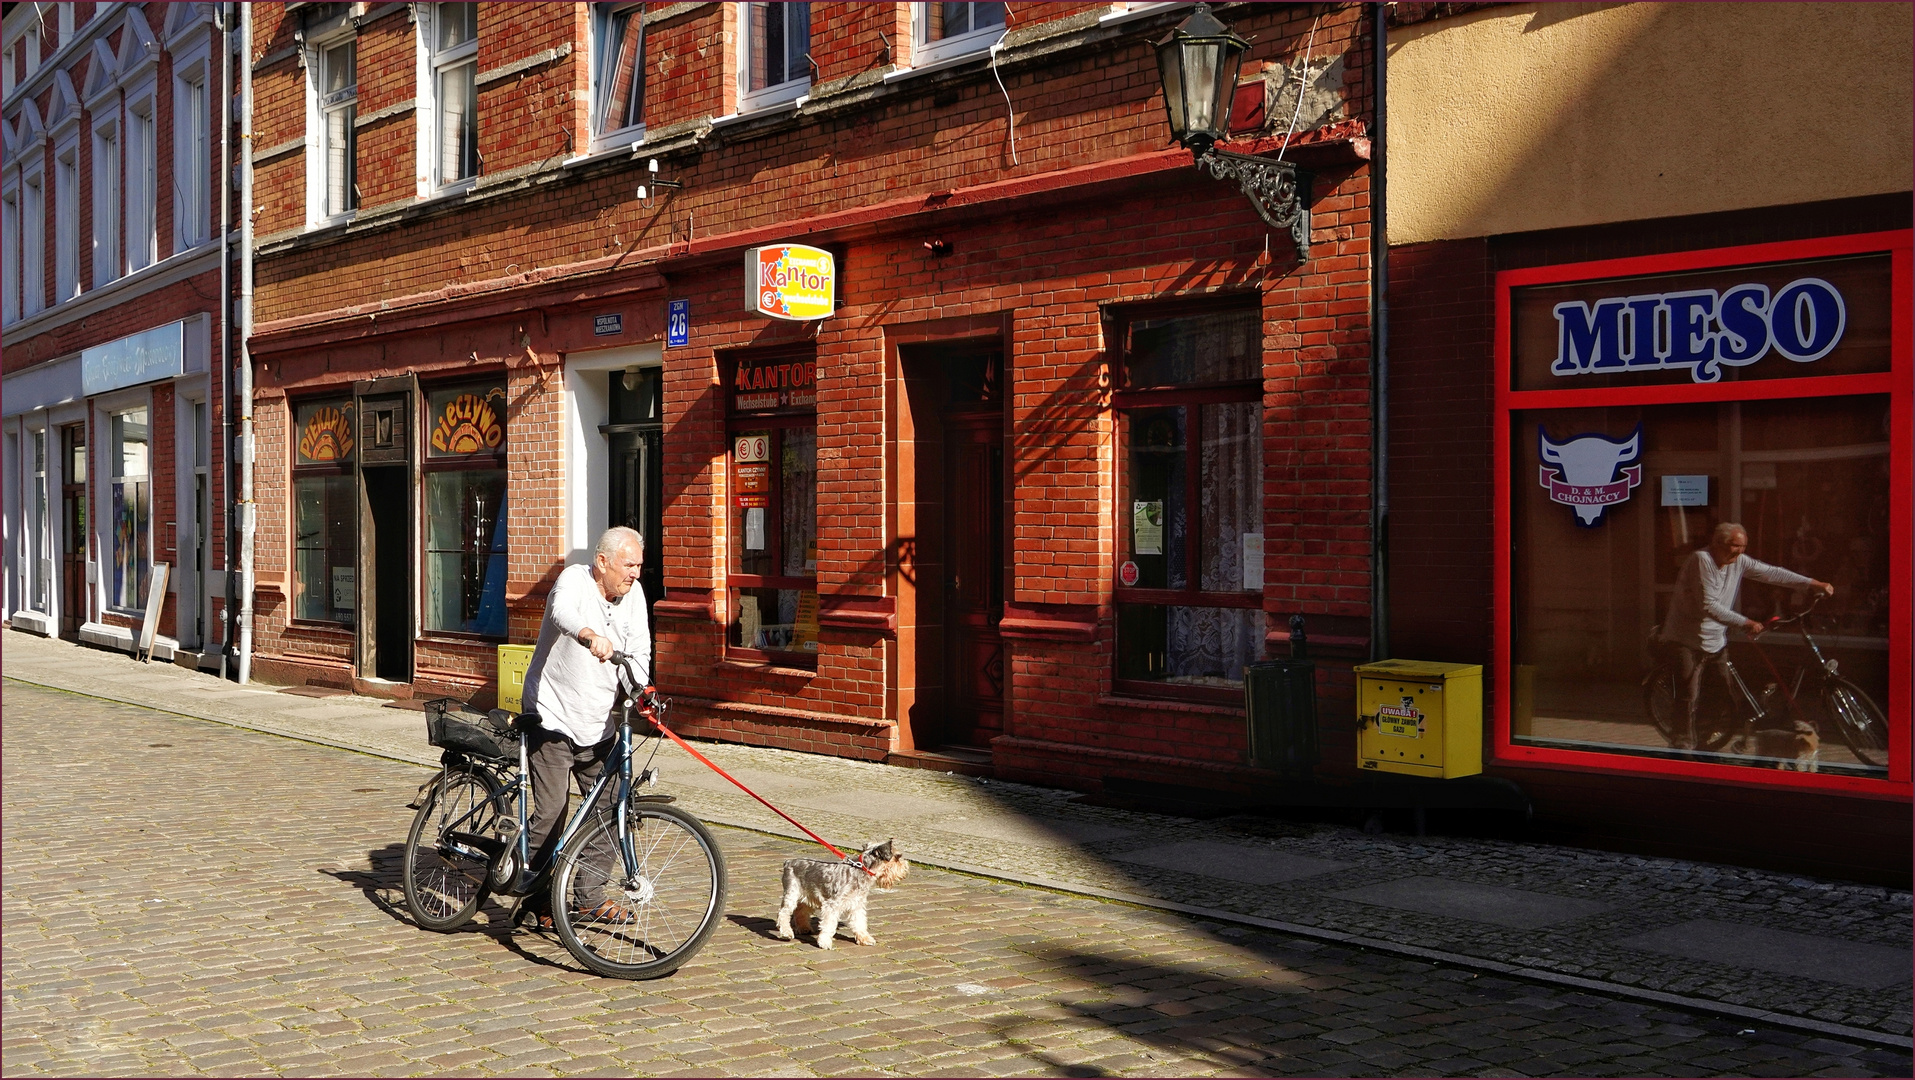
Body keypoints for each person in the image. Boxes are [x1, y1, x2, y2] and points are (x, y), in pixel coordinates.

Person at [515, 526, 652, 926]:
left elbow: (638, 652)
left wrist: (640, 691)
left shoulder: (634, 596)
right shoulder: (574, 578)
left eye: (640, 566)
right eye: (629, 565)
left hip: (597, 722)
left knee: (612, 806)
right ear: (603, 562)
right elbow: (562, 613)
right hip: (552, 714)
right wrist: (590, 635)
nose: (636, 573)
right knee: (553, 811)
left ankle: (588, 896)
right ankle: (535, 894)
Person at [1657, 521, 1833, 750]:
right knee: (1687, 697)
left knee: (1721, 694)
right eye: (1734, 546)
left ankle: (1700, 742)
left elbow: (1771, 573)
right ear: (1717, 543)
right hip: (1685, 639)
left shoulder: (1738, 561)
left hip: (1715, 639)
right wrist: (1746, 622)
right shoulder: (1702, 560)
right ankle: (1681, 748)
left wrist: (1812, 584)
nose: (1739, 551)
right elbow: (1708, 606)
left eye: (1743, 547)